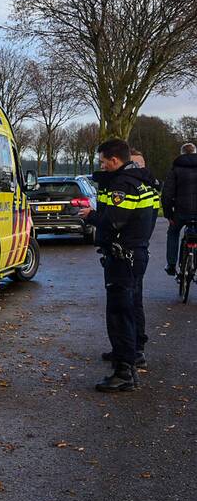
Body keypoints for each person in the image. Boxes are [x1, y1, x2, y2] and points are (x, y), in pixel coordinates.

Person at [77, 139, 159, 393]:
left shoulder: (123, 186)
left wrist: (91, 215)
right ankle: (131, 355)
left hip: (123, 256)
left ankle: (124, 372)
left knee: (119, 313)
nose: (102, 165)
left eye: (103, 161)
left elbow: (114, 221)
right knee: (131, 307)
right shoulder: (144, 181)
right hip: (136, 252)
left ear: (115, 160)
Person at [162, 142, 197, 276]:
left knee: (173, 233)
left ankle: (171, 265)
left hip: (181, 212)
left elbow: (167, 193)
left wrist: (168, 214)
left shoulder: (175, 168)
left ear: (181, 153)